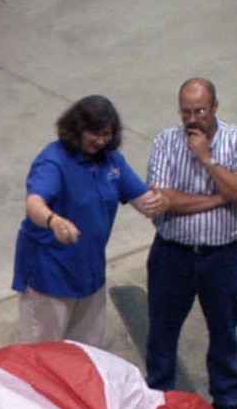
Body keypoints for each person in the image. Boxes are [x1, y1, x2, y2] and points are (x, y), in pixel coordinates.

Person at [143, 78, 237, 409]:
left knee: (224, 331)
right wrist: (217, 196)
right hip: (173, 256)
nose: (192, 119)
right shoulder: (165, 142)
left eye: (200, 111)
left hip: (223, 257)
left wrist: (208, 161)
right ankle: (160, 399)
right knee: (162, 332)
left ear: (215, 107)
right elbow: (161, 199)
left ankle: (227, 401)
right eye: (186, 112)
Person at [13, 95, 167, 346]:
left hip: (90, 273)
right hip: (50, 275)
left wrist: (162, 202)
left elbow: (145, 201)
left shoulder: (111, 160)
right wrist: (53, 220)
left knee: (87, 353)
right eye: (93, 133)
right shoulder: (53, 161)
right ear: (76, 129)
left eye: (106, 134)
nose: (100, 141)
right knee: (44, 355)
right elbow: (34, 204)